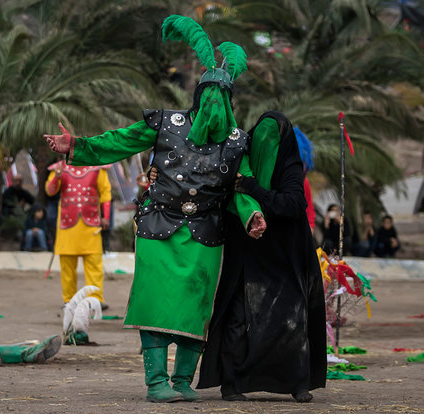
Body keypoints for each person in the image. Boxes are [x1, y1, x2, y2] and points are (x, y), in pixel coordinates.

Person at [45, 15, 266, 403]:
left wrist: (251, 214)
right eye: (208, 97)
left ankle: (182, 380)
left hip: (206, 234)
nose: (215, 105)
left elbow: (240, 187)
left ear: (230, 103)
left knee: (196, 307)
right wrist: (77, 147)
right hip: (158, 227)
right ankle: (155, 382)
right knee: (155, 301)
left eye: (222, 98)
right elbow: (121, 141)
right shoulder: (167, 122)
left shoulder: (237, 142)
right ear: (197, 97)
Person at [196, 111, 327, 403]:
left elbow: (292, 204)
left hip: (286, 256)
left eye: (272, 139)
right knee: (238, 316)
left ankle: (296, 382)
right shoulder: (239, 163)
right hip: (247, 253)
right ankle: (232, 382)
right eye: (260, 138)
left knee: (290, 319)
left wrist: (255, 189)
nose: (264, 145)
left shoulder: (291, 167)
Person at [45, 160, 112, 309]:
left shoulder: (98, 169)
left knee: (94, 264)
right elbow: (50, 190)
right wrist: (57, 176)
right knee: (67, 266)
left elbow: (106, 194)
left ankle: (95, 299)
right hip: (67, 226)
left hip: (91, 225)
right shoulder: (60, 168)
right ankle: (69, 300)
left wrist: (106, 216)